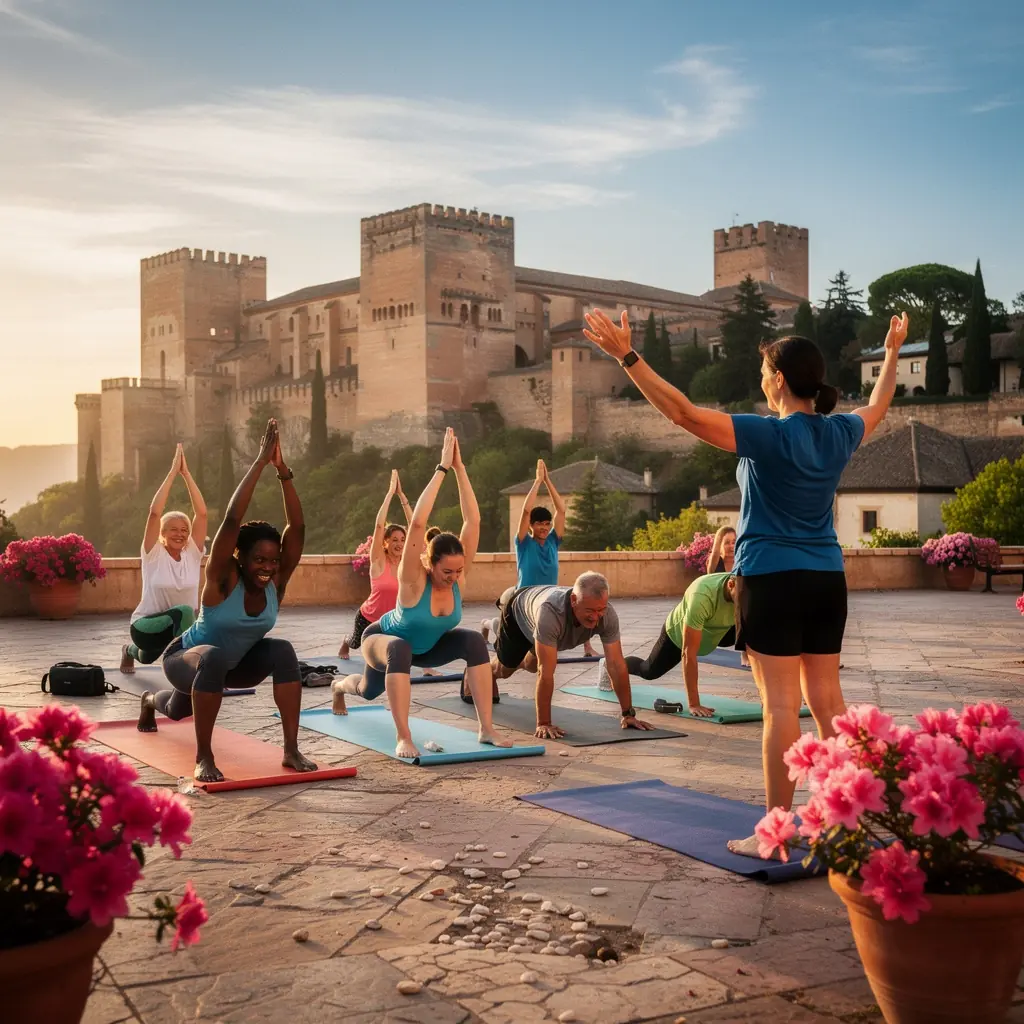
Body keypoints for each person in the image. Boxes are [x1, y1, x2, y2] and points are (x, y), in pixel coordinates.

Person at [583, 307, 909, 857]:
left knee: (781, 706)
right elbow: (877, 405)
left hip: (772, 579)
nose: (762, 379)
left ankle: (776, 832)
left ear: (779, 380)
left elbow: (683, 414)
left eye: (765, 372)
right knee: (828, 702)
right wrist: (894, 352)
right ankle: (845, 822)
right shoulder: (840, 432)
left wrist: (626, 357)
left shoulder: (766, 434)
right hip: (827, 579)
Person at [137, 419, 318, 784]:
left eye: (272, 561)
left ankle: (291, 749)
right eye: (259, 560)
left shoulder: (275, 582)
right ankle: (200, 752)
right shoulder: (224, 578)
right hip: (184, 659)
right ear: (241, 559)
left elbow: (296, 530)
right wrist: (259, 463)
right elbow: (233, 519)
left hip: (232, 667)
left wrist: (283, 472)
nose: (267, 568)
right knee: (175, 707)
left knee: (282, 650)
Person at [331, 428, 512, 759]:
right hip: (382, 641)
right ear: (430, 563)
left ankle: (487, 728)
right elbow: (417, 525)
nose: (454, 578)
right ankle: (366, 708)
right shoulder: (414, 578)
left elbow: (473, 519)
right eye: (447, 572)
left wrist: (461, 468)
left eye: (459, 572)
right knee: (367, 689)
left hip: (425, 650)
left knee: (473, 640)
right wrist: (442, 468)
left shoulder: (456, 573)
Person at [489, 572, 654, 739]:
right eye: (589, 610)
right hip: (519, 613)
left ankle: (519, 652)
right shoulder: (551, 612)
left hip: (541, 620)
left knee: (532, 665)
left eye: (600, 610)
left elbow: (616, 665)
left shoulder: (608, 615)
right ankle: (485, 672)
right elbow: (545, 672)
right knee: (505, 670)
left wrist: (628, 714)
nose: (596, 617)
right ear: (574, 600)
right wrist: (543, 723)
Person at [120, 444, 207, 674]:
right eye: (173, 530)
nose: (180, 534)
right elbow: (155, 513)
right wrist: (172, 473)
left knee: (146, 658)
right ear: (162, 534)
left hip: (175, 627)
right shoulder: (153, 553)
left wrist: (186, 475)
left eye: (184, 530)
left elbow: (202, 514)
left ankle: (127, 651)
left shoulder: (192, 553)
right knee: (186, 613)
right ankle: (192, 672)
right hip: (145, 626)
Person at [624, 572, 739, 718]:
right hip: (679, 636)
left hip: (719, 630)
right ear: (731, 584)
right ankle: (616, 665)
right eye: (743, 596)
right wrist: (694, 704)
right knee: (649, 671)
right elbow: (688, 653)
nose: (748, 600)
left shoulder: (752, 592)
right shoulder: (702, 594)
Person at [338, 469, 412, 660]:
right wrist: (389, 494)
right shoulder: (379, 562)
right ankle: (345, 641)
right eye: (394, 540)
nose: (400, 544)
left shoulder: (407, 563)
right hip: (369, 617)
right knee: (355, 642)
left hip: (394, 620)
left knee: (403, 646)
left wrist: (402, 496)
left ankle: (427, 667)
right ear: (385, 542)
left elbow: (416, 526)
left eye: (403, 539)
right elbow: (379, 527)